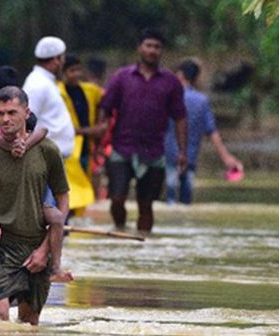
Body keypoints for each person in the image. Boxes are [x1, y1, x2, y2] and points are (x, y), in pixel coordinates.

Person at [0, 86, 74, 325]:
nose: (6, 119)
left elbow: (63, 199)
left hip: (35, 249)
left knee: (29, 325)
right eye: (0, 113)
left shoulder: (47, 150)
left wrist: (44, 250)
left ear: (26, 113)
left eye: (12, 112)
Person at [96, 29, 188, 233]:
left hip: (154, 151)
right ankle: (120, 231)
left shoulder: (171, 82)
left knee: (146, 205)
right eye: (148, 45)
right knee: (117, 198)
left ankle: (143, 245)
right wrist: (100, 144)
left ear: (161, 51)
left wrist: (182, 151)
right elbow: (105, 108)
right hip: (122, 148)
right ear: (140, 48)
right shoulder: (121, 77)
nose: (152, 50)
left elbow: (180, 117)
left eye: (157, 47)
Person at [164, 59, 244, 204]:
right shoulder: (202, 101)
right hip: (190, 157)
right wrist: (226, 157)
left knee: (170, 196)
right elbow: (212, 132)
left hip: (169, 154)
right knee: (186, 198)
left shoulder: (168, 96)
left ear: (180, 75)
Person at [57, 53, 105, 217]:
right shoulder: (57, 92)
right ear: (63, 72)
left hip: (85, 149)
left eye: (78, 70)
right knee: (68, 190)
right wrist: (87, 131)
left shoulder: (91, 91)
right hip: (65, 149)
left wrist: (100, 125)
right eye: (71, 70)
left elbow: (104, 104)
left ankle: (75, 226)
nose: (76, 74)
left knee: (83, 188)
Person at [22, 36, 75, 161]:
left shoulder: (46, 81)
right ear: (56, 60)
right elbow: (26, 121)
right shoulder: (37, 84)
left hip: (53, 158)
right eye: (62, 58)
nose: (63, 62)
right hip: (44, 158)